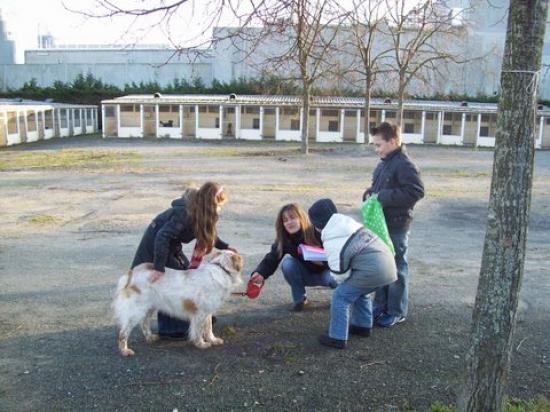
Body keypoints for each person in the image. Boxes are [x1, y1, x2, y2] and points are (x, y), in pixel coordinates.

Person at [130, 181, 236, 339]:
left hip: (170, 249)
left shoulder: (199, 211)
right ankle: (172, 327)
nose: (219, 208)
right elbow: (162, 237)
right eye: (219, 204)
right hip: (155, 251)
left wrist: (225, 246)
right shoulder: (184, 213)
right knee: (175, 284)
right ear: (209, 202)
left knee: (190, 276)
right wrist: (159, 268)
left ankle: (198, 313)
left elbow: (209, 234)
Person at [308, 198, 397, 349]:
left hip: (373, 271)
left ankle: (337, 337)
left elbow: (339, 273)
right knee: (359, 290)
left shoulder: (332, 236)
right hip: (388, 266)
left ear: (317, 224)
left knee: (340, 296)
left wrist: (339, 280)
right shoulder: (350, 225)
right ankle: (362, 326)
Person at [363, 122, 424, 328]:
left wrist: (383, 196)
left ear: (393, 141)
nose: (376, 149)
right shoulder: (384, 163)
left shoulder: (404, 164)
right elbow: (377, 187)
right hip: (381, 223)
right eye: (375, 145)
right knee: (381, 266)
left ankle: (397, 311)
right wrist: (370, 193)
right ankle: (380, 306)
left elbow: (416, 192)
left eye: (379, 145)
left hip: (396, 225)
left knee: (397, 268)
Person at [250, 203, 337, 311]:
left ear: (301, 218)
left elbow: (337, 256)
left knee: (336, 278)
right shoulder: (284, 239)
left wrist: (323, 263)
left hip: (326, 273)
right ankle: (299, 300)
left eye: (292, 218)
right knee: (288, 264)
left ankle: (342, 299)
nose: (289, 222)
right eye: (285, 220)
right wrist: (260, 273)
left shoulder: (317, 231)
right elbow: (272, 258)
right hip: (306, 274)